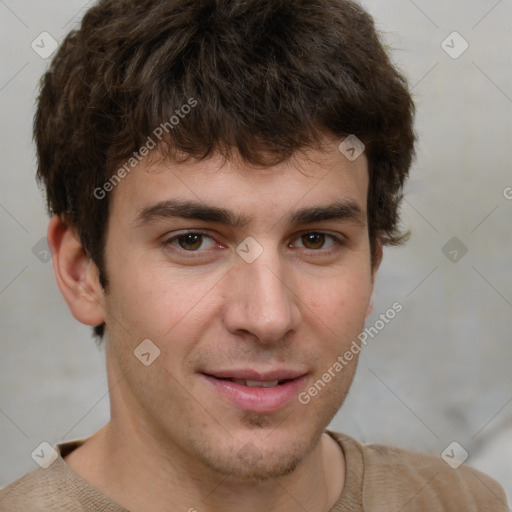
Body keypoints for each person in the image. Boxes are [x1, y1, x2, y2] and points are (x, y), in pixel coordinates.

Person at [0, 0, 508, 510]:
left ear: (372, 267)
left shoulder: (463, 502)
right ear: (82, 271)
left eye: (316, 240)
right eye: (192, 241)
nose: (269, 317)